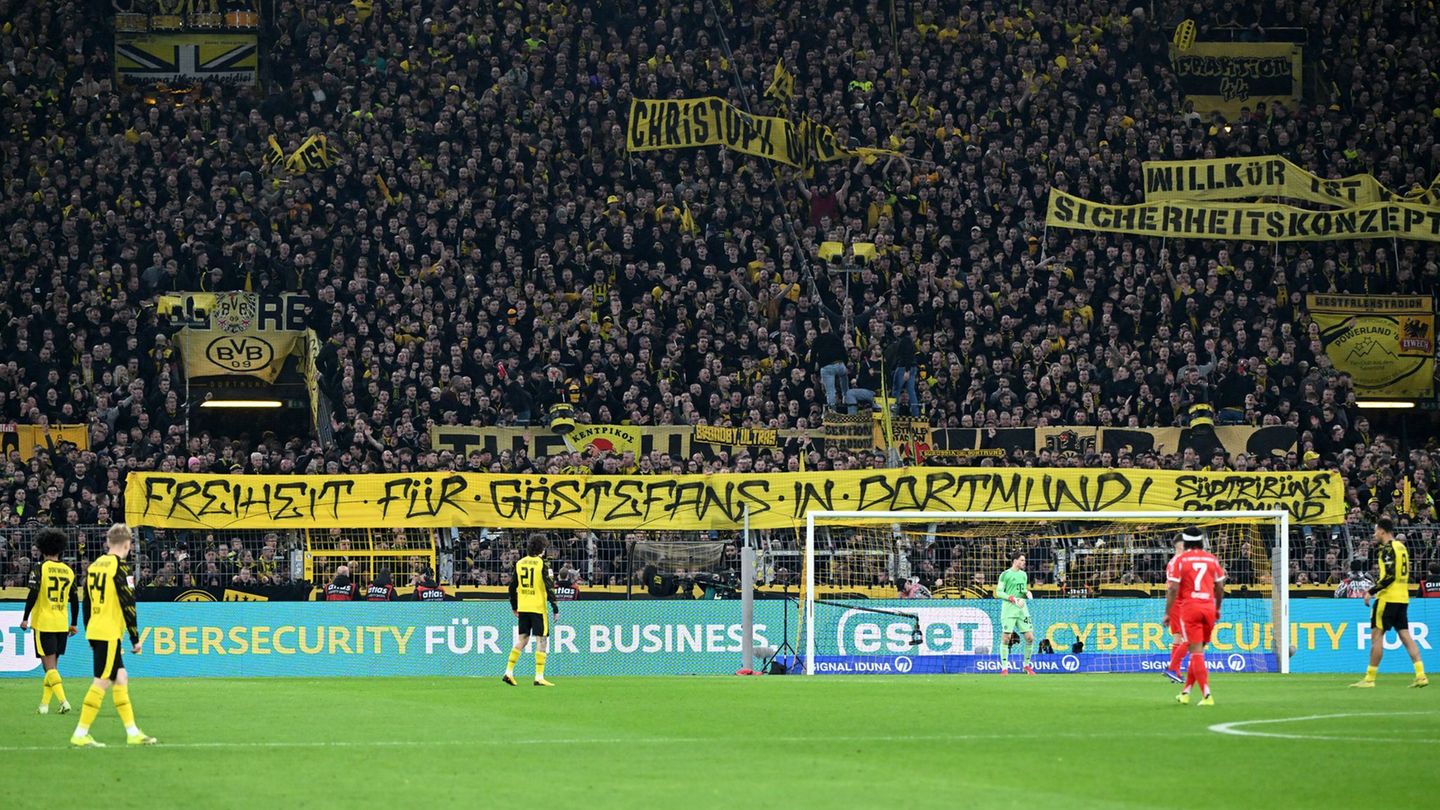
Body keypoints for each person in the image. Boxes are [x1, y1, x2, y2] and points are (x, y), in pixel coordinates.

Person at [71, 524, 156, 747]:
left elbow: (87, 602)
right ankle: (80, 733)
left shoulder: (95, 566)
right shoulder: (120, 567)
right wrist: (135, 639)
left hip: (98, 629)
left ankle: (132, 732)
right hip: (109, 632)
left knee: (120, 677)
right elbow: (128, 603)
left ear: (108, 543)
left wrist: (89, 631)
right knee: (101, 681)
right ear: (128, 544)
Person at [1351, 517, 1427, 688]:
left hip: (1387, 598)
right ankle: (1421, 675)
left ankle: (1369, 679)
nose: (1374, 534)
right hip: (1402, 597)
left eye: (1376, 530)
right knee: (1405, 636)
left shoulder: (1387, 549)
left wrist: (1370, 591)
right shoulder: (1402, 548)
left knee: (1377, 637)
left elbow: (1390, 576)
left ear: (1382, 531)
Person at [1163, 527, 1226, 706]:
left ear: (1187, 542)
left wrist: (1167, 612)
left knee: (1195, 651)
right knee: (1197, 650)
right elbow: (1220, 586)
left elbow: (1173, 588)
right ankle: (1185, 692)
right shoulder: (1211, 559)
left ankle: (1207, 695)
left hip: (1190, 607)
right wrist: (1218, 608)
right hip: (1209, 607)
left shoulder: (1181, 560)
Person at [20, 528, 79, 715]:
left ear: (43, 548)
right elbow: (75, 599)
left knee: (49, 667)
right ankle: (44, 706)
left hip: (44, 622)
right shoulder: (68, 571)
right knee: (52, 668)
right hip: (62, 623)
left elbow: (33, 592)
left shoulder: (40, 568)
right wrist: (74, 623)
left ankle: (63, 701)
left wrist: (25, 617)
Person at [503, 534, 559, 687]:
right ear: (542, 548)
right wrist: (555, 607)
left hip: (523, 606)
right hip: (537, 607)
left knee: (522, 640)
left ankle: (508, 672)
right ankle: (539, 676)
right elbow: (549, 587)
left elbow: (512, 586)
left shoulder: (520, 563)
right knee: (542, 640)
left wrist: (514, 606)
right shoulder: (542, 564)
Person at [995, 553, 1035, 676]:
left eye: (1024, 560)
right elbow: (999, 592)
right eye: (1022, 560)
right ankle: (1005, 668)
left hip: (1022, 609)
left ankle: (1026, 666)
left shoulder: (1023, 575)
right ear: (1015, 561)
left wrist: (1027, 592)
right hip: (1009, 609)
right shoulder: (1005, 574)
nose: (1024, 562)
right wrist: (1012, 598)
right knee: (1006, 638)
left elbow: (1021, 590)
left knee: (1030, 638)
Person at [1161, 535, 1188, 684]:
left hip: (1177, 602)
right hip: (1180, 602)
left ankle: (1175, 672)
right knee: (1191, 639)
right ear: (1179, 545)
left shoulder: (1175, 562)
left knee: (1178, 637)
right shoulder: (1178, 561)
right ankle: (1172, 668)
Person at [812, 318, 848, 412]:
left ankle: (832, 410)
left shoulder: (817, 340)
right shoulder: (835, 337)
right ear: (828, 326)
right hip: (839, 364)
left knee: (831, 391)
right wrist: (845, 364)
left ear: (820, 327)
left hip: (827, 367)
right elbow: (844, 351)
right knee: (844, 376)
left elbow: (813, 357)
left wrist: (813, 371)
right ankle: (845, 395)